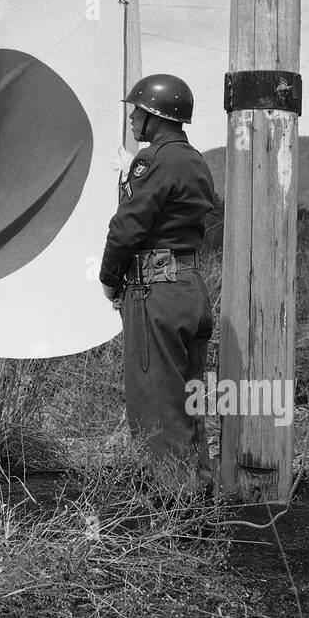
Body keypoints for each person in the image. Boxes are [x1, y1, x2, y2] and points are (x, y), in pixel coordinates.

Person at [100, 74, 216, 489]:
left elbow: (127, 228)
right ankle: (200, 491)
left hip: (156, 290)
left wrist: (110, 278)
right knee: (188, 401)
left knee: (157, 404)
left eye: (139, 110)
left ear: (157, 116)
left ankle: (176, 510)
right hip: (189, 285)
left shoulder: (155, 159)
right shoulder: (196, 159)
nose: (133, 117)